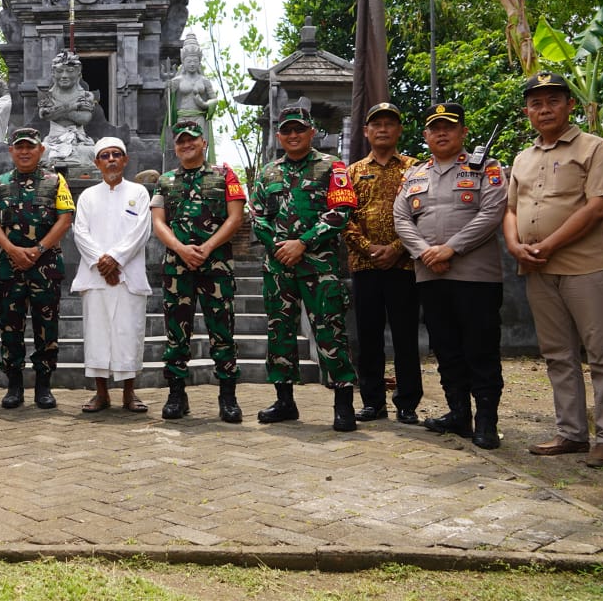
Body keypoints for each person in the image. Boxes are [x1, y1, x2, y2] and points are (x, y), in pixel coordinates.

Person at [504, 71, 603, 468]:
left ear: (570, 105)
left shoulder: (595, 148)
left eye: (553, 100)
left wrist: (548, 244)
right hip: (537, 269)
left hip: (585, 266)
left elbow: (598, 207)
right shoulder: (522, 158)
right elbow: (510, 210)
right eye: (536, 103)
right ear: (527, 111)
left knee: (602, 352)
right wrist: (514, 246)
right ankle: (572, 433)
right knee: (557, 353)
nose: (544, 109)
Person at [393, 102, 507, 449]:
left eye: (449, 126)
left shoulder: (486, 168)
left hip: (476, 277)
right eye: (435, 128)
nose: (441, 133)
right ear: (426, 135)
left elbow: (492, 212)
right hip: (430, 276)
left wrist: (451, 249)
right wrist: (425, 252)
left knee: (481, 348)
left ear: (463, 132)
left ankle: (486, 421)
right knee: (445, 348)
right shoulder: (414, 175)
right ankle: (459, 413)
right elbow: (401, 218)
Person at [250, 107, 360, 432]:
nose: (293, 135)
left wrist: (303, 243)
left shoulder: (332, 167)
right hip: (278, 268)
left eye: (299, 129)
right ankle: (284, 401)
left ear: (312, 132)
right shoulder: (268, 173)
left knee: (331, 332)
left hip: (319, 266)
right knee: (279, 333)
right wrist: (279, 247)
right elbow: (258, 217)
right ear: (279, 135)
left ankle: (344, 404)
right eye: (287, 130)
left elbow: (341, 211)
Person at [150, 118, 246, 422]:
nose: (187, 144)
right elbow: (158, 223)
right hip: (177, 270)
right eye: (181, 140)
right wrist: (181, 249)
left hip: (216, 267)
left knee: (222, 332)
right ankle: (176, 395)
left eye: (192, 139)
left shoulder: (224, 175)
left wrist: (207, 247)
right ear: (175, 146)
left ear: (203, 143)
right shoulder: (165, 181)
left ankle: (228, 397)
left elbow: (235, 217)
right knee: (176, 334)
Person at [0, 127, 75, 410]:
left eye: (30, 147)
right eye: (19, 147)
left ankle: (44, 385)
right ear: (11, 151)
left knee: (47, 327)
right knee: (10, 327)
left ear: (40, 150)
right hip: (10, 268)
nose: (24, 151)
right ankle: (14, 385)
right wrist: (12, 250)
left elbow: (65, 218)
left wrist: (38, 250)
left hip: (45, 266)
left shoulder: (56, 181)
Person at [343, 103, 423, 424]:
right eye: (377, 124)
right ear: (366, 131)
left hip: (404, 265)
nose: (383, 129)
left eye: (390, 124)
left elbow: (423, 214)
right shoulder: (351, 172)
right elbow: (343, 217)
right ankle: (372, 402)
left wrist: (397, 248)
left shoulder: (415, 168)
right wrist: (369, 248)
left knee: (405, 336)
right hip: (365, 266)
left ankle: (407, 403)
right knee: (368, 337)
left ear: (399, 130)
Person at [71, 137, 152, 413]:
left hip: (128, 275)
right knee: (98, 335)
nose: (111, 160)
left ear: (125, 160)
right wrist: (102, 263)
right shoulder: (87, 196)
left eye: (116, 154)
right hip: (96, 277)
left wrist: (115, 260)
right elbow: (80, 233)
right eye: (105, 156)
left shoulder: (139, 192)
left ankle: (129, 393)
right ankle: (101, 394)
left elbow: (141, 231)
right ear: (97, 163)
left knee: (128, 333)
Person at [39, 51, 98, 167]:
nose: (64, 75)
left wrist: (57, 111)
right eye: (59, 71)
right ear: (53, 74)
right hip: (53, 140)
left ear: (78, 74)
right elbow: (45, 116)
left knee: (90, 152)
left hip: (79, 141)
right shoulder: (47, 96)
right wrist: (73, 107)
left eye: (70, 71)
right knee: (43, 151)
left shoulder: (86, 95)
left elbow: (84, 118)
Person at [166, 33, 218, 149]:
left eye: (195, 61)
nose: (192, 64)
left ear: (199, 62)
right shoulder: (177, 80)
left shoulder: (204, 81)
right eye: (189, 61)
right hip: (182, 117)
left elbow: (214, 99)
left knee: (198, 147)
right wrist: (168, 89)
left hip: (198, 117)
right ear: (183, 62)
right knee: (183, 146)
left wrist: (204, 104)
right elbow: (169, 101)